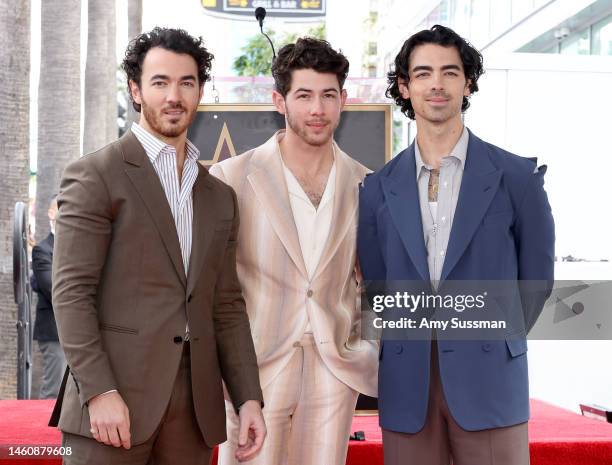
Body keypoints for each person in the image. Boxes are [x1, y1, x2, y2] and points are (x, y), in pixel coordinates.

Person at [50, 27, 265, 465]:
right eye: (160, 82)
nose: (174, 95)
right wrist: (100, 391)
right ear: (135, 90)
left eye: (186, 82)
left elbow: (226, 304)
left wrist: (248, 399)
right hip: (112, 405)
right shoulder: (95, 176)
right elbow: (71, 295)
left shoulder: (218, 195)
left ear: (200, 92)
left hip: (193, 413)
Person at [358, 25, 555, 465]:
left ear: (468, 82)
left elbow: (536, 282)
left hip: (489, 378)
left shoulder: (517, 178)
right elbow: (377, 287)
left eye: (450, 72)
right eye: (423, 73)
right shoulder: (376, 189)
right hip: (408, 383)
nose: (437, 84)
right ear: (405, 87)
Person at [209, 37, 378, 465]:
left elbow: (374, 282)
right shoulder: (232, 176)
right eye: (303, 96)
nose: (317, 110)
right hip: (255, 367)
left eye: (328, 96)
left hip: (333, 366)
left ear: (344, 100)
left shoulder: (367, 184)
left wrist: (367, 346)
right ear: (279, 101)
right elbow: (213, 284)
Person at [31, 196, 67, 399]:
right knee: (54, 390)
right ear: (51, 214)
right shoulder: (42, 250)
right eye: (60, 208)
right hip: (53, 331)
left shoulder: (78, 248)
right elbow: (53, 288)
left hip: (77, 332)